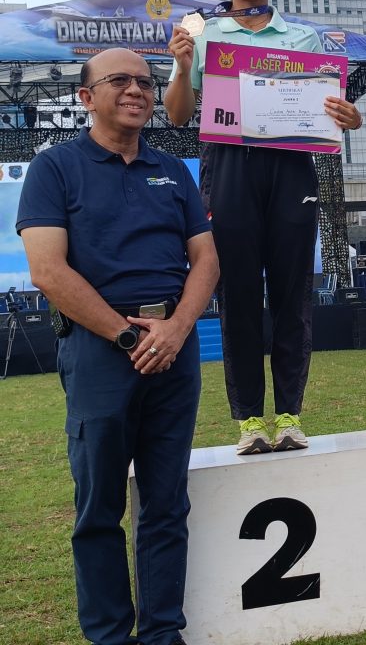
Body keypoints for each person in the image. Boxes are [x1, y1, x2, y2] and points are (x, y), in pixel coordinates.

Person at [16, 48, 219, 645]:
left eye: (145, 82)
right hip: (100, 353)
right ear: (86, 98)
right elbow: (48, 271)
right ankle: (109, 636)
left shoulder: (173, 170)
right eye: (119, 81)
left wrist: (176, 330)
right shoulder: (54, 168)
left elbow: (206, 259)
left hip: (173, 349)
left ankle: (162, 633)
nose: (137, 90)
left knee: (166, 504)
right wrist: (128, 335)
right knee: (99, 508)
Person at [165, 0, 362, 454]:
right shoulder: (204, 34)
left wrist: (350, 116)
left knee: (293, 293)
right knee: (239, 295)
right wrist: (182, 67)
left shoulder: (303, 38)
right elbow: (179, 114)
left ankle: (291, 415)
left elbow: (329, 111)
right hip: (229, 166)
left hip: (291, 168)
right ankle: (250, 420)